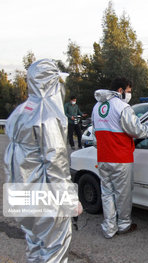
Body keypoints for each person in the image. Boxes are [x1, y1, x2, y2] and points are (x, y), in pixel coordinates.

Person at [4, 59, 82, 262]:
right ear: (51, 84)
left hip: (23, 193)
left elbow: (10, 158)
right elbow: (56, 164)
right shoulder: (48, 116)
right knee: (55, 248)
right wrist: (71, 201)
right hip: (47, 198)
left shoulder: (20, 111)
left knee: (35, 243)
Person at [92, 77, 148, 239]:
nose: (130, 94)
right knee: (123, 194)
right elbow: (136, 130)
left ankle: (109, 228)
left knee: (107, 193)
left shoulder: (97, 107)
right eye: (129, 91)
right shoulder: (122, 107)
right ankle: (124, 225)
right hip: (121, 158)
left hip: (103, 158)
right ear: (121, 90)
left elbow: (96, 137)